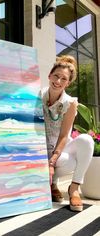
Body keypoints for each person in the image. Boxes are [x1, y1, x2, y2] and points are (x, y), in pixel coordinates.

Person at [41, 55, 94, 212]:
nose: (58, 81)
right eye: (56, 76)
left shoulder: (70, 103)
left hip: (60, 147)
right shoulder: (37, 96)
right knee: (59, 160)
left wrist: (51, 162)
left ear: (68, 83)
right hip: (41, 147)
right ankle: (53, 184)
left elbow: (64, 135)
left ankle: (74, 187)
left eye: (63, 79)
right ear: (49, 75)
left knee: (86, 140)